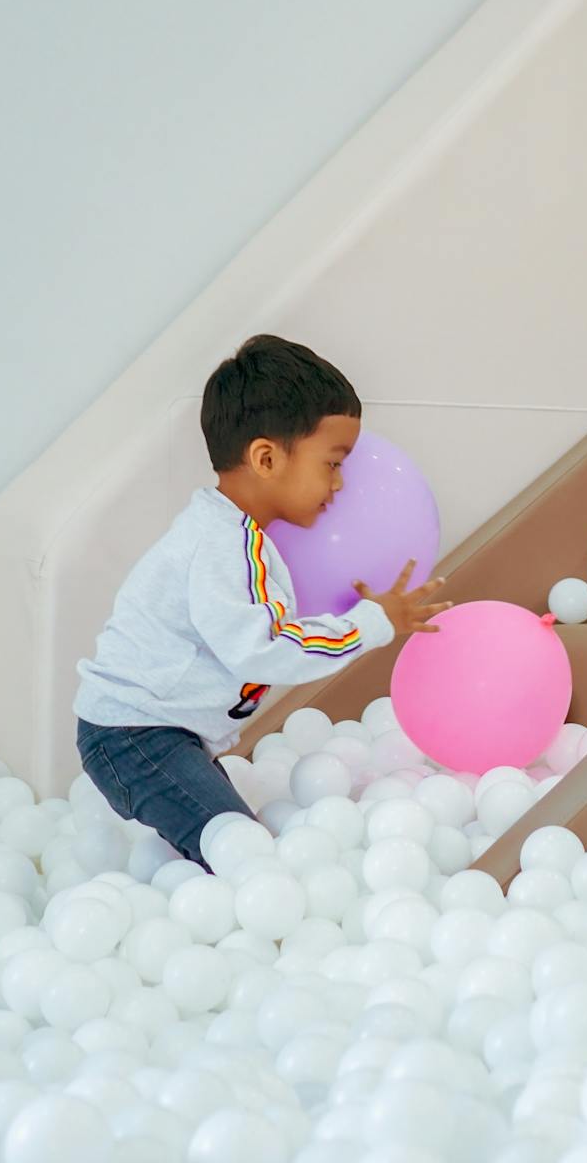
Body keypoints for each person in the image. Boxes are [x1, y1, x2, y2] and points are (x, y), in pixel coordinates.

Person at [72, 334, 448, 865]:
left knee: (226, 841)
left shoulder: (231, 534)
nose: (341, 484)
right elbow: (263, 647)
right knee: (245, 857)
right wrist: (370, 623)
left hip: (159, 733)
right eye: (333, 462)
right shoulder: (227, 545)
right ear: (267, 458)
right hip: (135, 736)